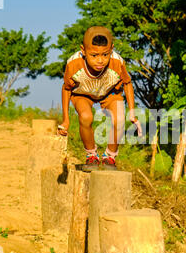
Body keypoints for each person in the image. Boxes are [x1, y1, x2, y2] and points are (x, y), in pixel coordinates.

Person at [57, 26, 141, 170]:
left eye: (105, 54)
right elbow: (66, 89)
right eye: (94, 55)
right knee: (85, 117)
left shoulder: (117, 62)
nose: (100, 61)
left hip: (109, 93)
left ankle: (110, 156)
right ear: (83, 51)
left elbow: (127, 83)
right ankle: (91, 155)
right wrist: (66, 120)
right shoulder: (73, 64)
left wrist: (132, 112)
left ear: (111, 49)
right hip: (82, 94)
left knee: (120, 118)